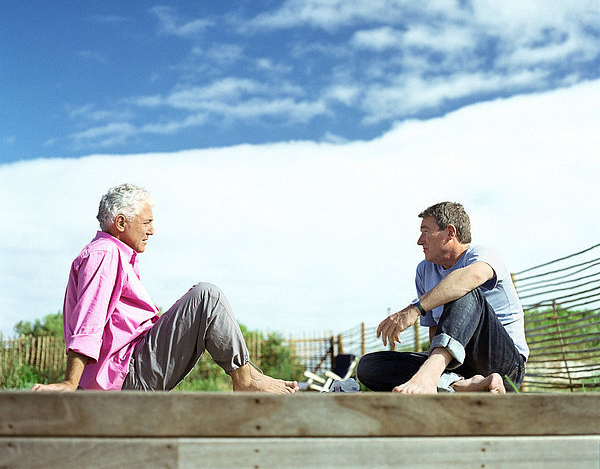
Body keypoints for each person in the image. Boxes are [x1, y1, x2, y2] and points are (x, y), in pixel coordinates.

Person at [33, 183, 298, 394]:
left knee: (201, 299)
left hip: (127, 370)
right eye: (147, 222)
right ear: (122, 223)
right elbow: (89, 320)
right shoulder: (105, 253)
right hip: (124, 376)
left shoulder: (113, 255)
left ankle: (247, 376)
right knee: (206, 296)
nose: (152, 230)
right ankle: (245, 378)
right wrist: (70, 382)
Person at [357, 202, 528, 394]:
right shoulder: (424, 270)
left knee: (461, 288)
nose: (420, 241)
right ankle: (458, 384)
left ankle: (431, 376)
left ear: (450, 233)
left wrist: (414, 309)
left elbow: (473, 278)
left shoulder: (483, 255)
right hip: (457, 365)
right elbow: (435, 332)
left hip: (503, 364)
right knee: (369, 365)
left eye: (426, 231)